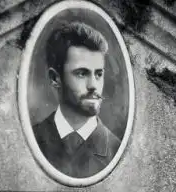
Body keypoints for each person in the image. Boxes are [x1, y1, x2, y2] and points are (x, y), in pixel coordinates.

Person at [32, 21, 121, 178]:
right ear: (55, 78)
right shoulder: (32, 140)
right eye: (82, 73)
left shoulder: (117, 151)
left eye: (98, 74)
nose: (93, 85)